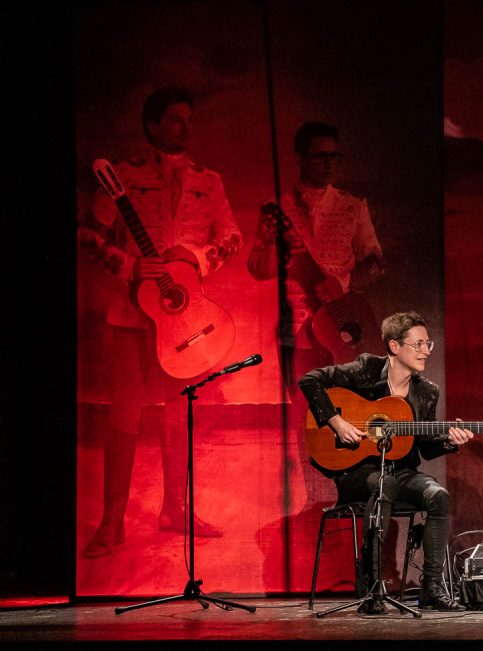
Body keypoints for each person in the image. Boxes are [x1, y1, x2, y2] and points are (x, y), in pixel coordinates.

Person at [78, 86, 242, 558]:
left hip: (185, 317)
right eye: (174, 120)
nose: (185, 127)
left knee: (180, 414)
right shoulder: (122, 175)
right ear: (151, 126)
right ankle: (112, 521)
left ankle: (176, 509)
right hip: (130, 313)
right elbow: (88, 234)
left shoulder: (208, 181)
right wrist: (127, 265)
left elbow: (230, 236)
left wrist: (194, 258)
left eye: (189, 119)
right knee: (124, 413)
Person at [248, 121, 385, 508]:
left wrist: (341, 283)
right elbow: (257, 268)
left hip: (342, 322)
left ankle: (355, 491)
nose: (328, 163)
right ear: (300, 158)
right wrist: (273, 249)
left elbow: (375, 262)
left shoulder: (351, 205)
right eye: (319, 155)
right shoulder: (277, 206)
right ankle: (315, 497)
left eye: (334, 155)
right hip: (295, 322)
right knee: (304, 409)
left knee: (352, 404)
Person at [298, 311, 469, 613]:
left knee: (438, 496)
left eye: (428, 344)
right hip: (355, 472)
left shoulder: (427, 391)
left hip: (400, 472)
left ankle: (432, 588)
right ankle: (372, 586)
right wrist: (337, 422)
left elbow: (426, 449)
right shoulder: (366, 369)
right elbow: (310, 380)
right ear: (394, 346)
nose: (425, 351)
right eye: (417, 344)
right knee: (383, 484)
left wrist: (449, 441)